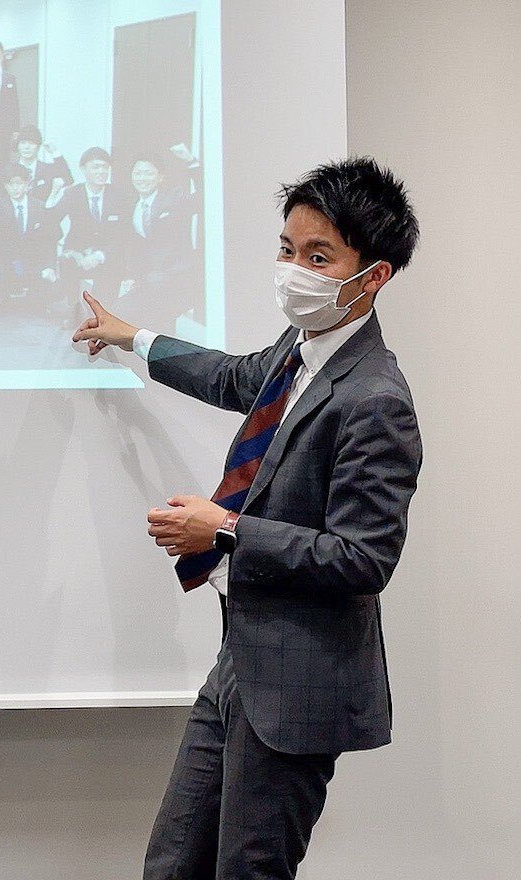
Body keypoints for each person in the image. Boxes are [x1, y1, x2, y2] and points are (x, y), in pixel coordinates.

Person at [71, 156, 422, 880]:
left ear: (374, 276)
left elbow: (364, 559)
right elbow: (234, 377)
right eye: (287, 250)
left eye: (318, 257)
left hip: (300, 684)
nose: (293, 271)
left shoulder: (376, 399)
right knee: (173, 864)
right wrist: (135, 338)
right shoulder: (302, 351)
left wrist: (225, 530)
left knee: (249, 870)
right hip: (242, 658)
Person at [126, 148, 203, 332]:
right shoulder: (131, 205)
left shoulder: (174, 197)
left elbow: (202, 197)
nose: (142, 178)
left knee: (164, 327)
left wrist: (191, 163)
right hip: (149, 278)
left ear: (160, 177)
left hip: (175, 273)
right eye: (138, 173)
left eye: (148, 173)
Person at [55, 146, 133, 300]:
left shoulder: (119, 196)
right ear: (83, 169)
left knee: (111, 275)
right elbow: (51, 221)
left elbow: (124, 233)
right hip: (77, 253)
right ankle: (72, 307)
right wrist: (68, 250)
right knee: (66, 264)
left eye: (105, 167)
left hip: (107, 254)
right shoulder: (72, 194)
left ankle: (103, 308)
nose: (101, 172)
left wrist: (100, 255)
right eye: (95, 167)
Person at [0, 165, 61, 311]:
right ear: (5, 186)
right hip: (6, 261)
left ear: (27, 184)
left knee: (54, 290)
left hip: (33, 262)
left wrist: (49, 266)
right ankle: (5, 295)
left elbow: (50, 240)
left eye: (19, 183)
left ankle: (32, 297)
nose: (15, 188)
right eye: (10, 184)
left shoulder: (39, 207)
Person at [13, 125, 72, 203]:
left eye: (31, 143)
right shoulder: (9, 169)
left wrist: (55, 153)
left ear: (38, 146)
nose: (26, 147)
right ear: (17, 146)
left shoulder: (47, 169)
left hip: (42, 209)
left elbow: (68, 179)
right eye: (23, 143)